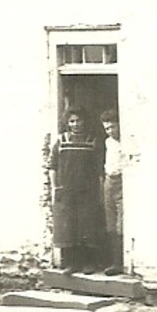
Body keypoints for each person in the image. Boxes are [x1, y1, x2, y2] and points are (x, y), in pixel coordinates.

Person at [45, 109, 104, 273]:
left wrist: (100, 191)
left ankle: (89, 263)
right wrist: (56, 187)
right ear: (67, 123)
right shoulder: (61, 141)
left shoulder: (93, 141)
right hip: (67, 190)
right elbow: (53, 166)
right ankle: (73, 263)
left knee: (87, 226)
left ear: (84, 121)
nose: (75, 124)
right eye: (72, 121)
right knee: (68, 227)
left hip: (87, 191)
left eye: (78, 120)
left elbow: (99, 169)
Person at [100, 110, 125, 275]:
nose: (110, 131)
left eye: (113, 127)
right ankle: (112, 261)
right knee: (110, 221)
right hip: (109, 180)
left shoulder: (126, 142)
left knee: (120, 223)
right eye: (107, 128)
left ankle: (120, 262)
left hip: (122, 182)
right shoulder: (108, 142)